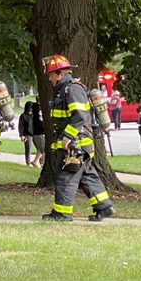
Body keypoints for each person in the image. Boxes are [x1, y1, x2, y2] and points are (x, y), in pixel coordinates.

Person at [41, 55, 115, 222]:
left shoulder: (72, 89)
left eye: (51, 75)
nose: (50, 78)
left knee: (66, 175)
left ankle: (62, 214)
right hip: (80, 143)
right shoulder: (63, 89)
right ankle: (104, 206)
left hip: (75, 143)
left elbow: (80, 116)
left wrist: (67, 137)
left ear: (60, 74)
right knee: (86, 174)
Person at [18, 101, 39, 167]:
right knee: (28, 149)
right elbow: (21, 126)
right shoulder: (23, 116)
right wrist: (22, 135)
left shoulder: (35, 115)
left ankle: (40, 161)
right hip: (27, 134)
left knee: (39, 148)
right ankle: (28, 162)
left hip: (35, 133)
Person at [32, 99, 45, 167]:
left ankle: (36, 161)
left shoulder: (34, 109)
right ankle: (44, 164)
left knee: (41, 148)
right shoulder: (39, 109)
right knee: (44, 150)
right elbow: (41, 121)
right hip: (41, 132)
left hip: (36, 132)